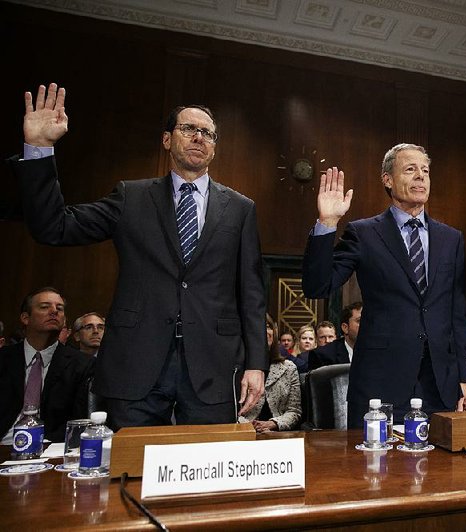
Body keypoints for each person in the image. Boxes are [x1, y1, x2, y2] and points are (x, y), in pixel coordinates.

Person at [10, 83, 266, 429]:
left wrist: (255, 364)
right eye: (189, 129)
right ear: (167, 140)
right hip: (137, 362)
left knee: (208, 473)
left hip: (213, 365)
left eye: (208, 133)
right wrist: (39, 149)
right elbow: (54, 227)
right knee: (130, 475)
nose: (199, 138)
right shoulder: (131, 197)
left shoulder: (240, 208)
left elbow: (251, 293)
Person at [303, 143, 466, 427]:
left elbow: (456, 314)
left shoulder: (451, 239)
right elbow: (317, 286)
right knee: (376, 470)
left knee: (444, 470)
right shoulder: (364, 233)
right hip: (380, 386)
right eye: (410, 169)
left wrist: (463, 378)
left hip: (440, 386)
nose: (420, 176)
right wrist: (327, 223)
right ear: (387, 179)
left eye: (425, 171)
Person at [1, 287, 94, 443]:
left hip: (49, 448)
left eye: (60, 308)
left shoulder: (82, 365)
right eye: (45, 307)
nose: (54, 311)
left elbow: (79, 421)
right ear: (25, 318)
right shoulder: (4, 359)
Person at [244, 314, 302, 432]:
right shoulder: (236, 369)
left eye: (267, 326)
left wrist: (273, 424)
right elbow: (228, 411)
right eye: (258, 326)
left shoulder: (289, 368)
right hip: (243, 433)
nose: (265, 331)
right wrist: (248, 427)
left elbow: (294, 411)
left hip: (278, 433)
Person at [308, 301, 362, 370]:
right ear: (345, 328)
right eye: (360, 321)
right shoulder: (322, 356)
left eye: (369, 320)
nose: (367, 325)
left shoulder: (378, 353)